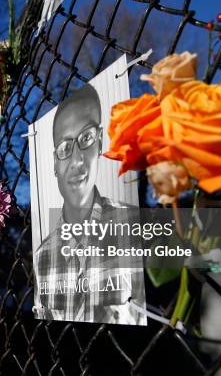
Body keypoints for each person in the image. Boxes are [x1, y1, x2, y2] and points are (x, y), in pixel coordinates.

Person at [33, 84, 144, 323]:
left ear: (100, 141)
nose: (77, 160)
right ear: (54, 162)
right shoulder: (42, 255)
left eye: (86, 138)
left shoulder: (137, 227)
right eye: (64, 147)